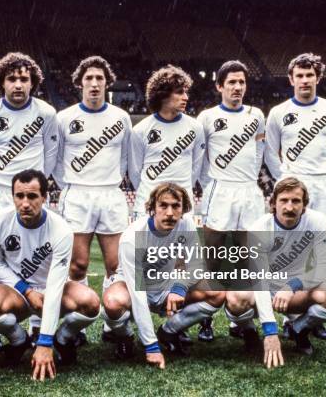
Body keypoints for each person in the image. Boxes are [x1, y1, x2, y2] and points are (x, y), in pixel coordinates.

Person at [0, 169, 100, 381]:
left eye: (32, 196)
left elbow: (54, 285)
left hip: (53, 288)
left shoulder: (61, 229)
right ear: (13, 197)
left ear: (44, 197)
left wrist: (46, 342)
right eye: (19, 196)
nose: (25, 203)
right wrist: (26, 290)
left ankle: (63, 339)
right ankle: (19, 340)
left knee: (90, 302)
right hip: (17, 290)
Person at [0, 51, 59, 350]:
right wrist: (1, 183)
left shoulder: (47, 113)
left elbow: (50, 156)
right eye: (12, 79)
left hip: (32, 193)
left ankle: (37, 324)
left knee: (39, 256)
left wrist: (33, 189)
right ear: (1, 82)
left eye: (24, 79)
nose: (18, 84)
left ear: (33, 82)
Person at [264, 52, 326, 339]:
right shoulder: (277, 112)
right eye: (299, 75)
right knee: (289, 254)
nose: (304, 80)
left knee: (322, 255)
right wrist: (288, 181)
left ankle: (312, 319)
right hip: (293, 187)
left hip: (325, 186)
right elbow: (271, 153)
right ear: (291, 79)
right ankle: (291, 311)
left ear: (318, 78)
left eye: (310, 75)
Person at [101, 183, 225, 367]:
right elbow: (138, 292)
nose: (169, 213)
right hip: (132, 287)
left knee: (217, 293)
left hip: (166, 284)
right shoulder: (132, 237)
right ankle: (125, 337)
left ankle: (168, 331)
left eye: (176, 206)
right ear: (152, 208)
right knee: (112, 303)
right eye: (163, 206)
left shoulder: (186, 224)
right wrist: (151, 347)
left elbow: (196, 263)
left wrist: (180, 286)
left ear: (184, 209)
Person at [53, 56, 131, 344]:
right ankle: (80, 325)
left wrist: (108, 181)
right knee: (78, 264)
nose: (95, 83)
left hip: (110, 193)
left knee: (115, 263)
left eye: (100, 78)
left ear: (107, 83)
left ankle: (113, 326)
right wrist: (72, 186)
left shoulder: (121, 118)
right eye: (89, 78)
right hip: (77, 194)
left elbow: (125, 161)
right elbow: (56, 160)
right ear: (79, 83)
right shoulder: (65, 118)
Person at [226, 177, 326, 357]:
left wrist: (293, 285)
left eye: (296, 201)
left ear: (304, 204)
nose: (289, 207)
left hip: (294, 293)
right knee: (236, 297)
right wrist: (270, 330)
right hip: (262, 289)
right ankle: (249, 331)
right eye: (284, 200)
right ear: (274, 203)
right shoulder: (259, 228)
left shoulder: (317, 221)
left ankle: (299, 329)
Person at [195, 60, 266, 341]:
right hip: (219, 191)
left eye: (242, 82)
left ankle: (241, 320)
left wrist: (249, 181)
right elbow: (200, 161)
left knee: (248, 258)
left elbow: (259, 153)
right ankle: (205, 318)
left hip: (248, 191)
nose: (238, 87)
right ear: (219, 86)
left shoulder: (256, 115)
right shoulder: (207, 117)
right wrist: (212, 185)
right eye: (232, 82)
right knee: (212, 257)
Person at [128, 64, 204, 220]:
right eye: (179, 92)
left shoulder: (195, 127)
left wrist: (180, 190)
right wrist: (152, 194)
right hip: (147, 206)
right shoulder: (140, 130)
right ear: (163, 95)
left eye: (186, 92)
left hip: (183, 206)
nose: (186, 97)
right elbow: (135, 173)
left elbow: (195, 168)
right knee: (145, 246)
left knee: (183, 246)